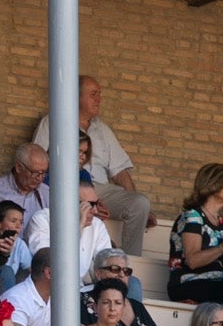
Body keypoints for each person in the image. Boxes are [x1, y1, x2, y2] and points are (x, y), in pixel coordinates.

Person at [33, 75, 153, 254]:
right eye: (94, 94)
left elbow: (120, 172)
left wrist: (144, 212)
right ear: (76, 96)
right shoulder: (52, 121)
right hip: (64, 185)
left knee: (140, 203)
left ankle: (126, 263)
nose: (99, 99)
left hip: (99, 189)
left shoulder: (102, 129)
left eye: (99, 94)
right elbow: (37, 160)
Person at [168, 161, 223, 303]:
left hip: (216, 285)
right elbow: (192, 261)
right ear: (213, 184)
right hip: (189, 283)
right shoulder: (192, 216)